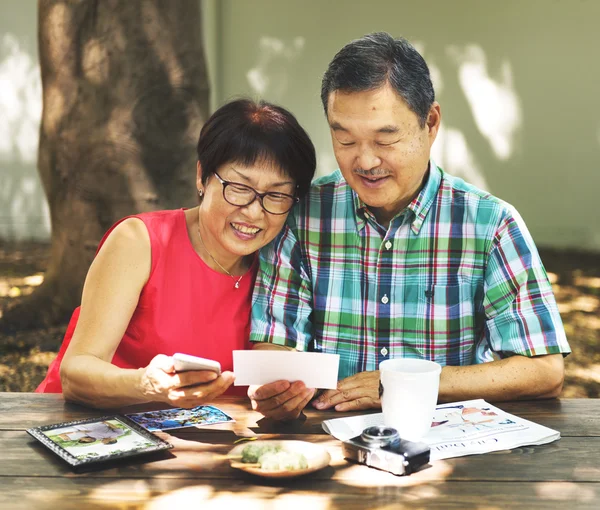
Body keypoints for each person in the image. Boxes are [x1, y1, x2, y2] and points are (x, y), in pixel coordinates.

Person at [249, 32, 571, 420]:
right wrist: (275, 387)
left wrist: (404, 383)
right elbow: (274, 346)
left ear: (430, 123)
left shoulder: (491, 225)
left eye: (386, 139)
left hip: (450, 452)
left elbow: (543, 370)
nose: (365, 161)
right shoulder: (302, 216)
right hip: (326, 446)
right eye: (345, 138)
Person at [36, 99, 316, 409]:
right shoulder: (140, 241)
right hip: (86, 429)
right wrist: (146, 384)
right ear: (202, 177)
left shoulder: (282, 264)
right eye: (238, 187)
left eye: (276, 195)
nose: (253, 212)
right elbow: (76, 372)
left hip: (201, 446)